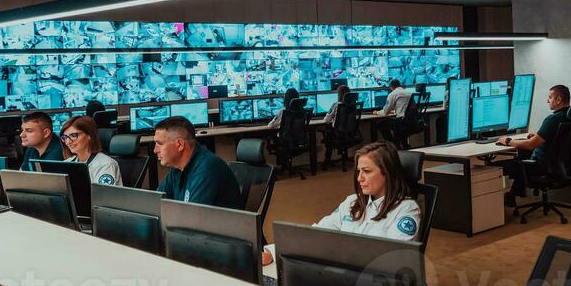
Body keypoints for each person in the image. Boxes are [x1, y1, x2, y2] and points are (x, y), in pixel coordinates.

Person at [261, 141, 422, 271]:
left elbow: (392, 260)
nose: (359, 178)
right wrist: (274, 252)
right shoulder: (352, 203)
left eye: (366, 171)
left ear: (387, 172)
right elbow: (314, 234)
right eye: (358, 171)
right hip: (338, 275)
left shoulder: (406, 209)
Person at [494, 84, 570, 200]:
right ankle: (511, 197)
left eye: (550, 97)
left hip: (539, 166)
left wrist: (508, 141)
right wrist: (538, 135)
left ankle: (500, 201)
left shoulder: (553, 119)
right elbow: (557, 138)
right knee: (521, 159)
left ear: (558, 100)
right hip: (558, 166)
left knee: (494, 167)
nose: (547, 101)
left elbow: (530, 145)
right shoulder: (570, 117)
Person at [154, 116, 243, 208]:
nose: (155, 150)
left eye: (159, 144)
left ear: (180, 145)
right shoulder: (177, 168)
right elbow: (156, 201)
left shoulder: (207, 168)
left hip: (216, 222)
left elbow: (193, 216)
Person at [59, 115, 122, 186]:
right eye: (65, 137)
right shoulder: (66, 164)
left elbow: (103, 196)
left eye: (73, 136)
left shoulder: (105, 164)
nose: (68, 142)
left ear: (90, 135)